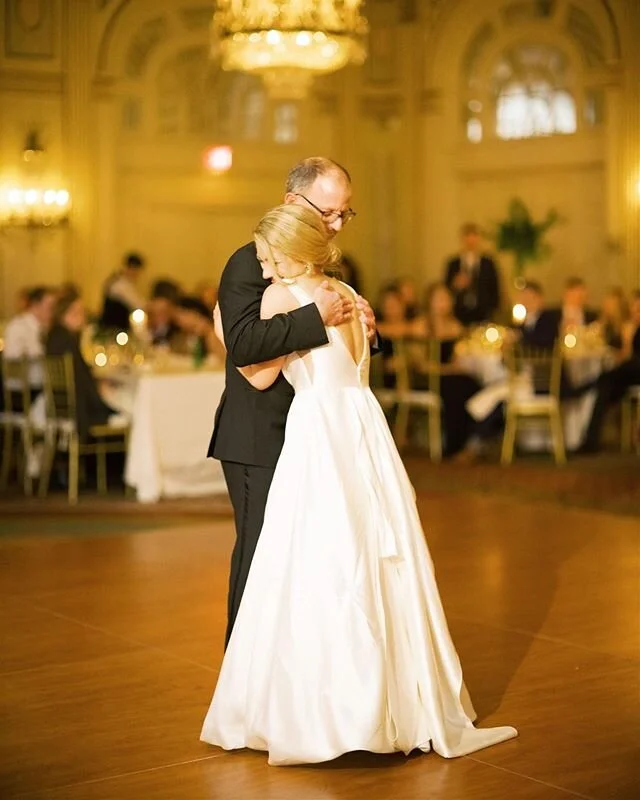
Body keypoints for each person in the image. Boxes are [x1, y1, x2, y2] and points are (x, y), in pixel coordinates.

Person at [200, 204, 517, 765]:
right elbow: (352, 356)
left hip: (319, 433)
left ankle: (328, 708)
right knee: (374, 556)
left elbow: (257, 372)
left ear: (295, 253)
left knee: (310, 562)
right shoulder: (345, 293)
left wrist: (226, 329)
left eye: (272, 260)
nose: (266, 272)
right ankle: (395, 700)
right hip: (365, 429)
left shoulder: (281, 297)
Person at [209, 157, 376, 649]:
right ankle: (242, 677)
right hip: (261, 433)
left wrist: (365, 328)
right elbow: (243, 342)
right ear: (291, 202)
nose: (336, 224)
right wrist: (314, 316)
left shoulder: (323, 267)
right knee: (259, 559)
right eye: (328, 212)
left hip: (316, 435)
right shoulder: (248, 260)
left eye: (345, 213)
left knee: (305, 562)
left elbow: (338, 351)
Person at [46, 291, 117, 441]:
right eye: (78, 311)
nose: (82, 316)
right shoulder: (65, 340)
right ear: (65, 314)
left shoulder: (56, 336)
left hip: (64, 408)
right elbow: (80, 380)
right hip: (81, 413)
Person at [3, 285, 56, 401]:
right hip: (22, 392)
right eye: (50, 307)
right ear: (35, 306)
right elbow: (11, 360)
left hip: (43, 387)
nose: (53, 312)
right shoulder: (18, 326)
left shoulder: (46, 329)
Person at [445, 223, 500, 325]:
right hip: (459, 312)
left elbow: (495, 289)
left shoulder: (488, 263)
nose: (470, 241)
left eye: (474, 236)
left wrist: (492, 311)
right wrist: (455, 285)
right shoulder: (453, 264)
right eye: (467, 236)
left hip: (483, 312)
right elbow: (445, 289)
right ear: (462, 239)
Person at [99, 252, 146, 331]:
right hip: (114, 327)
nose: (137, 275)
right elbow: (137, 304)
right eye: (136, 271)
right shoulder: (120, 284)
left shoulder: (124, 283)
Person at [515, 280, 559, 349]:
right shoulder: (518, 321)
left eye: (530, 298)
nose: (527, 302)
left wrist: (519, 336)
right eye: (524, 298)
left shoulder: (549, 319)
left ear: (540, 299)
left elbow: (545, 340)